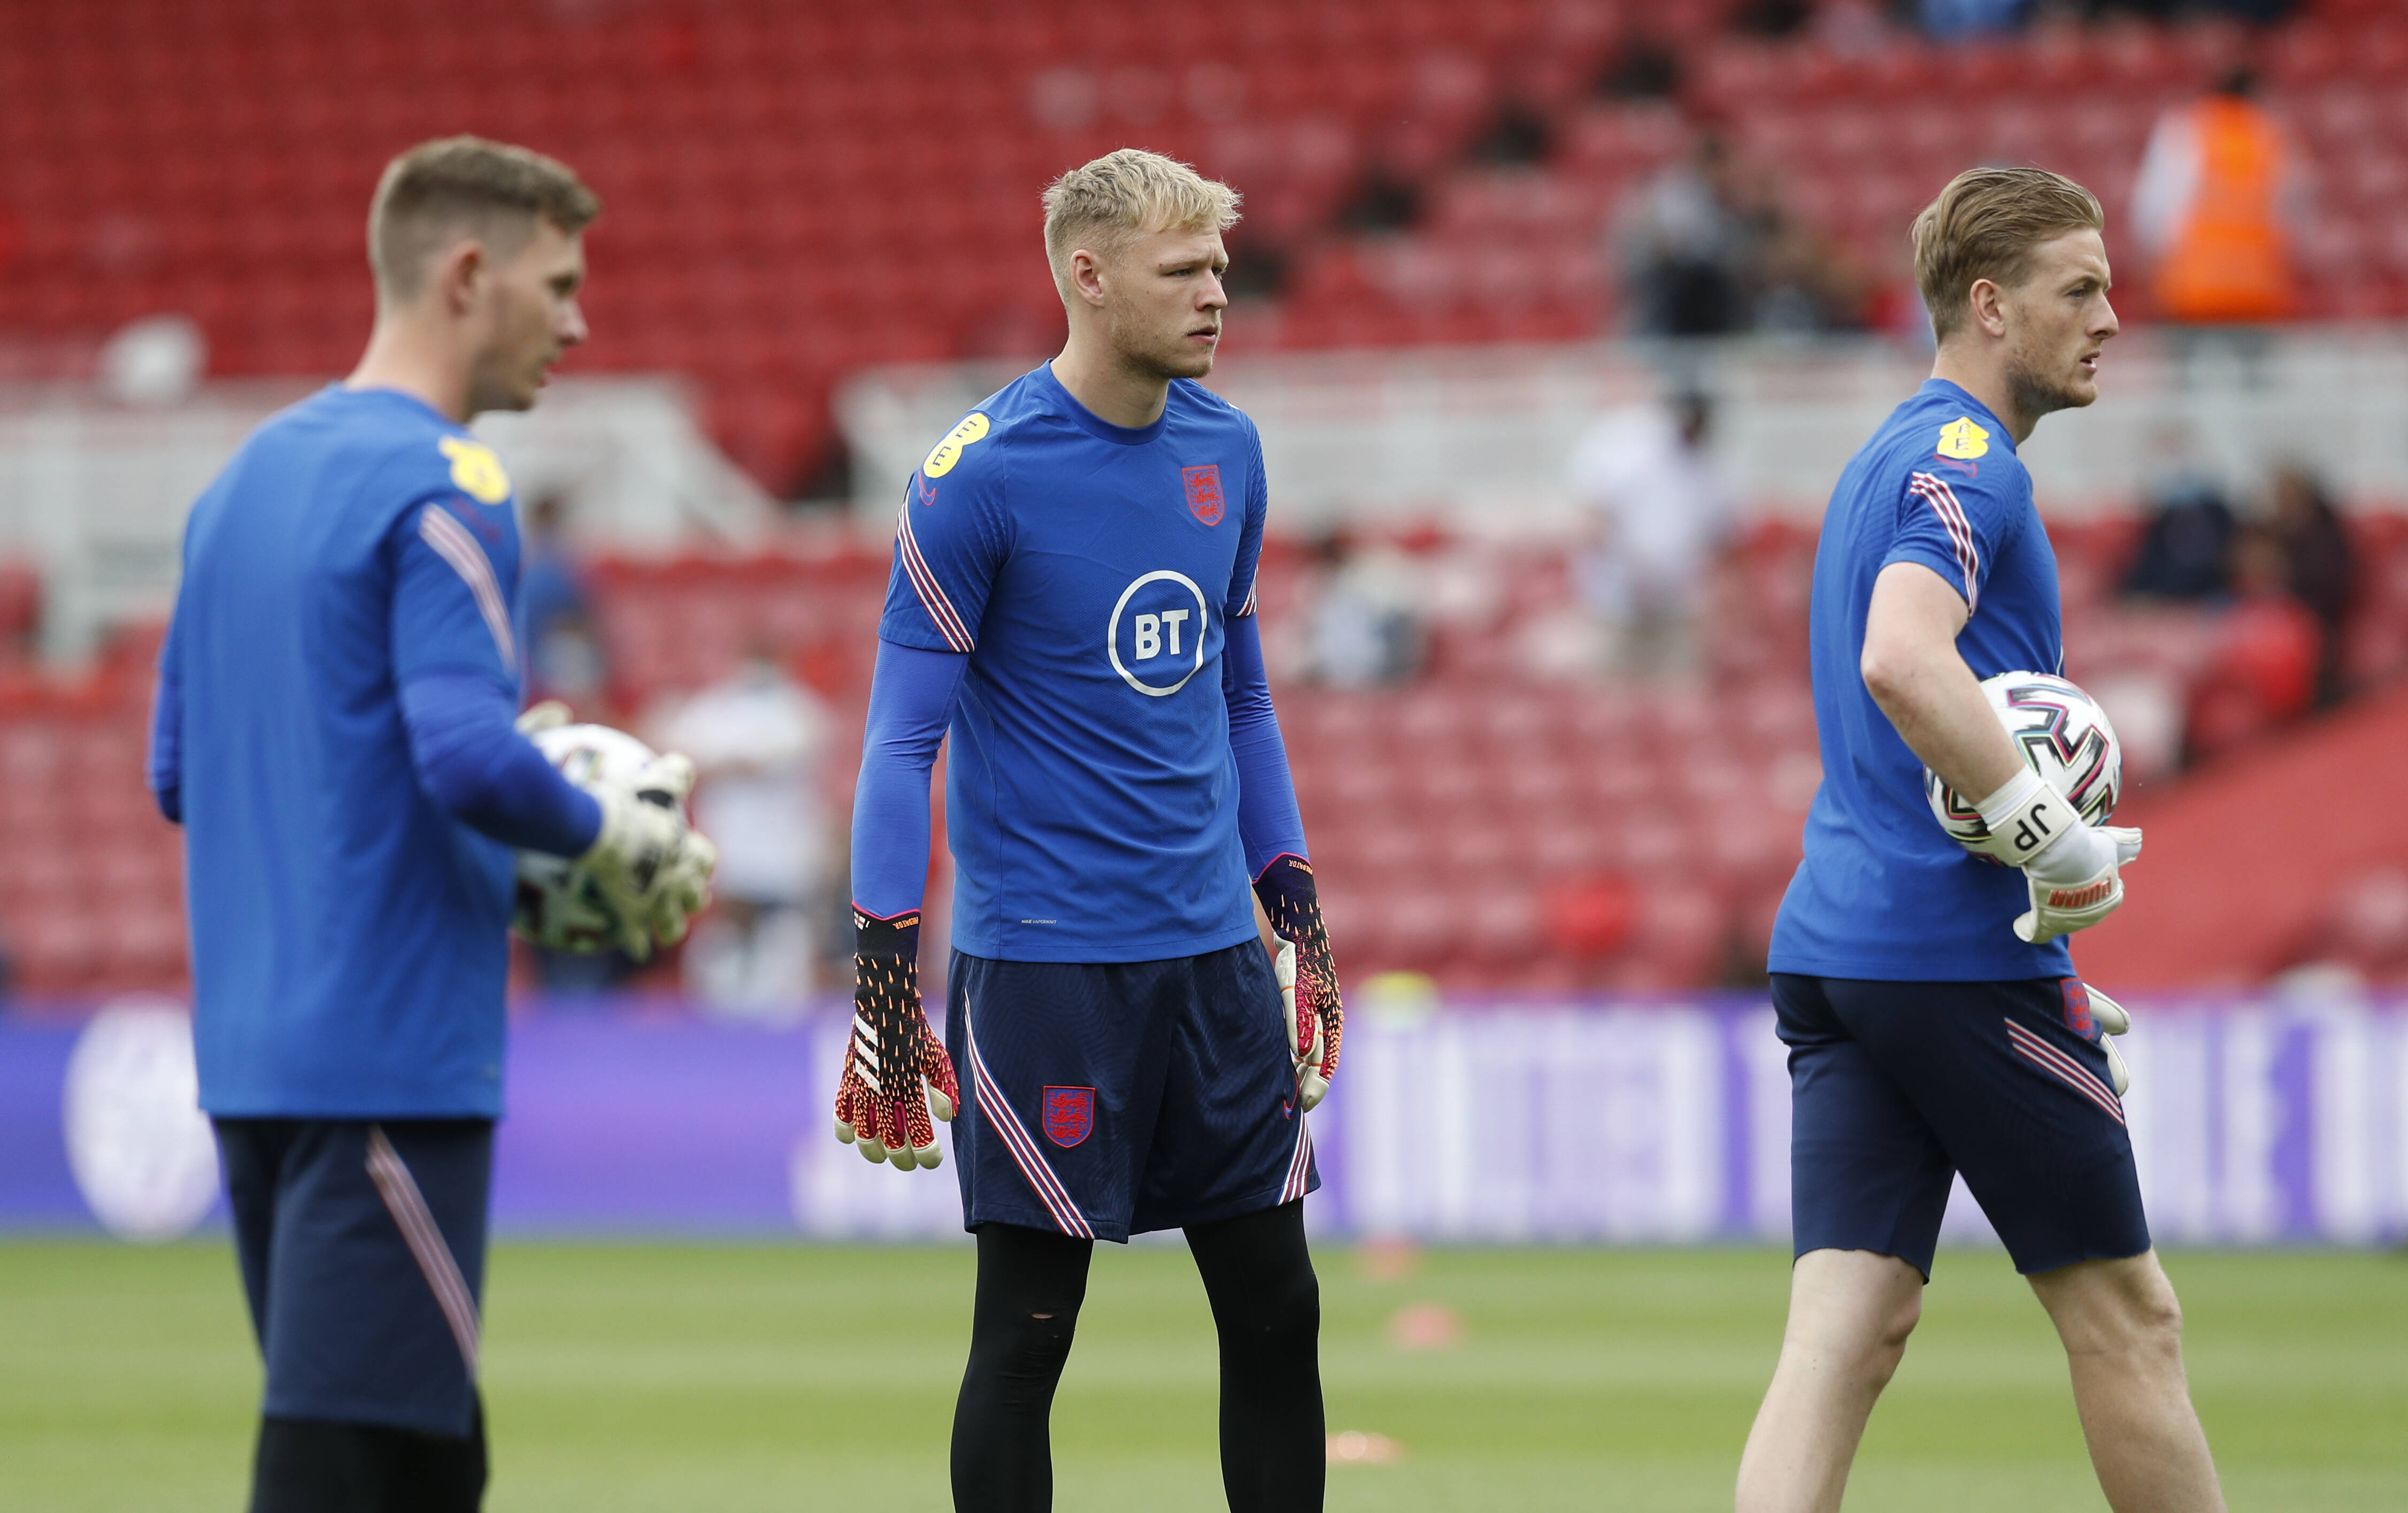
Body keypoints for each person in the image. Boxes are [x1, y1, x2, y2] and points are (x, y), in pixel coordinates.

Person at [146, 137, 714, 1513]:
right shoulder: (449, 484)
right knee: (345, 1458)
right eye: (560, 283)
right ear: (470, 276)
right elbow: (464, 752)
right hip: (388, 1059)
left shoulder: (238, 488)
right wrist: (600, 836)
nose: (578, 321)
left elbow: (180, 773)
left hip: (254, 1063)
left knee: (423, 1448)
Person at [837, 149, 1340, 1513]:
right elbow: (899, 740)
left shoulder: (1226, 449)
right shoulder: (977, 474)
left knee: (1277, 1310)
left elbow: (1239, 694)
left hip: (1213, 965)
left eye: (1220, 268)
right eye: (1182, 272)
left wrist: (1290, 900)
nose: (1214, 295)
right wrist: (883, 970)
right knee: (1028, 1330)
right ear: (1088, 274)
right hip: (1049, 969)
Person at [1746, 167, 2226, 1513]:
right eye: (2081, 291)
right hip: (1956, 956)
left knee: (1843, 1333)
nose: (2111, 319)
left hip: (1840, 947)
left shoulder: (1882, 456)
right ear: (1989, 305)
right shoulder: (1968, 463)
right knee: (2129, 1318)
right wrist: (2047, 838)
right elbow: (1904, 660)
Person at [664, 648, 835, 1011]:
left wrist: (730, 764)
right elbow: (677, 757)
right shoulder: (715, 707)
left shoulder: (799, 708)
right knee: (724, 947)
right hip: (729, 850)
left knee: (784, 951)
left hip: (784, 855)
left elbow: (778, 755)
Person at [1565, 390, 1735, 679]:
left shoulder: (1712, 474)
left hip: (1677, 606)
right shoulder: (1630, 455)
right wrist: (1630, 568)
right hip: (1619, 602)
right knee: (1611, 701)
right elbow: (1593, 520)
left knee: (1679, 697)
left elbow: (1725, 545)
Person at [2131, 66, 2305, 326]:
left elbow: (2155, 207)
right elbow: (2295, 213)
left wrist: (2150, 265)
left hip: (2192, 289)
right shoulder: (2272, 135)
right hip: (2257, 291)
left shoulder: (2188, 128)